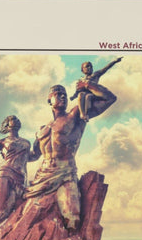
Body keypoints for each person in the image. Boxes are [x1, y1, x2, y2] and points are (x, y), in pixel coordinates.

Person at [24, 80, 116, 230]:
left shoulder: (76, 114)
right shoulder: (42, 129)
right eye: (58, 94)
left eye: (65, 95)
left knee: (72, 218)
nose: (63, 97)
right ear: (49, 100)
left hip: (65, 174)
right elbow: (33, 156)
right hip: (42, 177)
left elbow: (109, 99)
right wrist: (14, 153)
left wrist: (88, 85)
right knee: (27, 217)